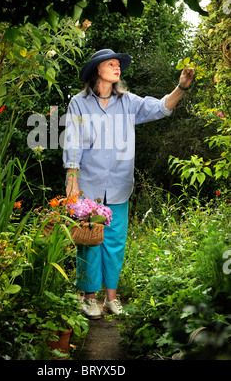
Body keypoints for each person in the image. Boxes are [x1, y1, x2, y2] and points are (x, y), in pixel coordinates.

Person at [62, 48, 194, 318]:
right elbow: (73, 139)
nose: (117, 67)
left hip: (120, 185)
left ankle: (111, 298)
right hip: (89, 184)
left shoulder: (128, 102)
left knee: (115, 242)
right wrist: (72, 179)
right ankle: (89, 298)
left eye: (118, 64)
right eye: (111, 63)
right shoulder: (79, 102)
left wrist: (180, 88)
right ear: (97, 69)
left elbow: (160, 107)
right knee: (89, 240)